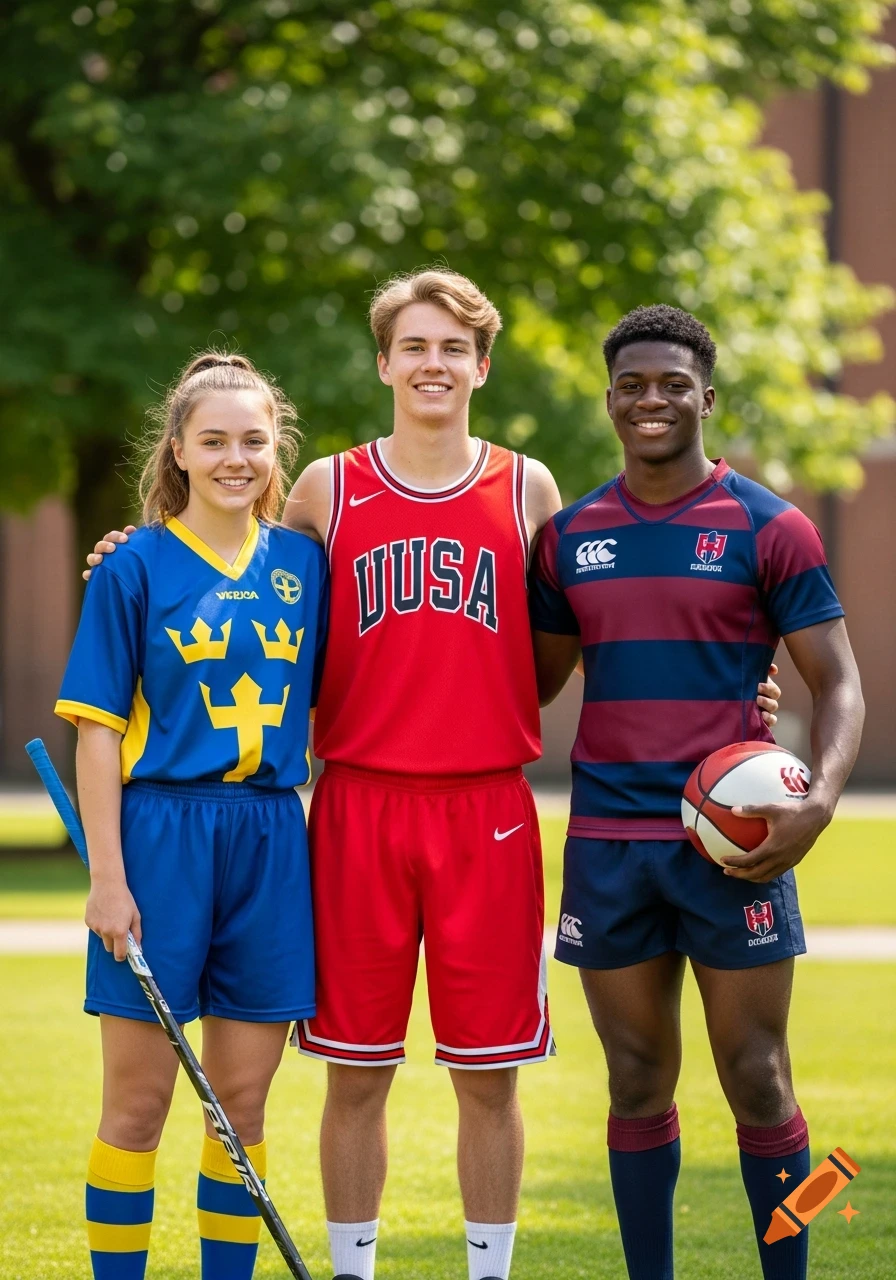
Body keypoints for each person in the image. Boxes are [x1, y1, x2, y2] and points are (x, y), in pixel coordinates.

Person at [83, 273, 780, 1280]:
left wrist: (737, 707)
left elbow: (600, 634)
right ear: (382, 362)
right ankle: (355, 1269)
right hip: (357, 800)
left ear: (481, 364)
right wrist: (131, 546)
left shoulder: (528, 488)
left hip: (486, 804)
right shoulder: (325, 486)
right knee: (352, 1074)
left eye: (452, 348)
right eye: (413, 346)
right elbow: (233, 572)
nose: (432, 364)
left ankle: (485, 1271)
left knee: (487, 1074)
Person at [530, 304, 865, 1280]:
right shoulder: (568, 538)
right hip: (607, 840)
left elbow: (836, 680)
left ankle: (787, 1270)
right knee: (634, 1079)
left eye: (671, 383)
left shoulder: (771, 526)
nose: (650, 399)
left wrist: (818, 801)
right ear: (607, 400)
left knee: (756, 1077)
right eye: (632, 384)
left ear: (705, 398)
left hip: (735, 842)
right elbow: (531, 682)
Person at [58, 353, 327, 1280]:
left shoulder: (306, 564)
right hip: (160, 838)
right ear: (178, 450)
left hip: (269, 839)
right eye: (213, 441)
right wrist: (106, 877)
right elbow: (95, 735)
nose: (234, 459)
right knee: (138, 1106)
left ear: (276, 450)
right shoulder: (131, 567)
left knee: (240, 1108)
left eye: (253, 441)